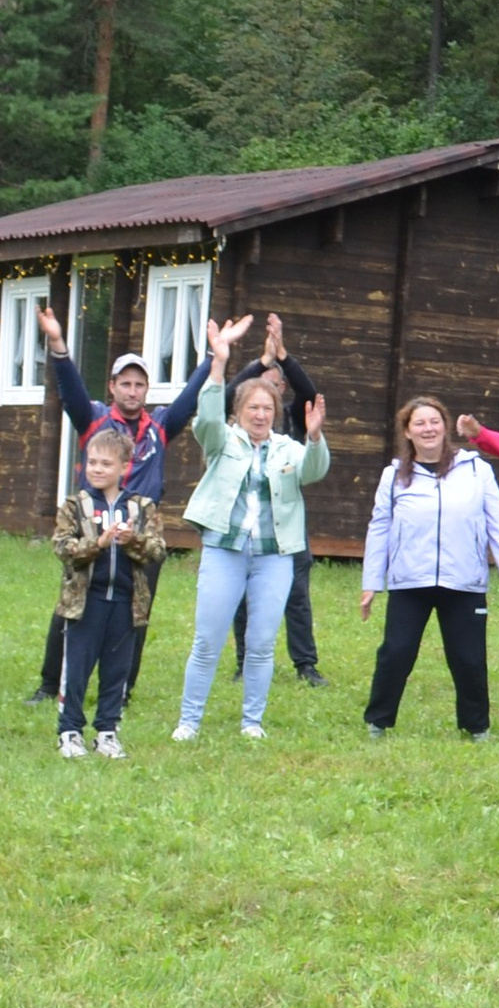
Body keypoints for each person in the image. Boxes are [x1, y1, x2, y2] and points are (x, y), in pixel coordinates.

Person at [28, 300, 213, 708]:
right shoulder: (93, 417)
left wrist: (215, 355)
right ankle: (49, 684)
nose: (132, 391)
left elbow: (191, 396)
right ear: (112, 387)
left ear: (147, 390)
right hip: (92, 525)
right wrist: (57, 343)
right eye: (124, 384)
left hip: (140, 531)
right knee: (72, 605)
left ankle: (122, 689)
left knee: (135, 611)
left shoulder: (160, 425)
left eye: (139, 384)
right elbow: (71, 387)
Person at [173, 324, 330, 742]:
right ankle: (189, 721)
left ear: (275, 413)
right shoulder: (221, 440)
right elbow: (206, 418)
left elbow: (314, 472)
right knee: (207, 641)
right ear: (238, 412)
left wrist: (314, 438)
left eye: (267, 409)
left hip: (274, 556)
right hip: (225, 550)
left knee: (261, 642)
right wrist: (220, 362)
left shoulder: (287, 448)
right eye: (252, 408)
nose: (260, 415)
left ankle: (252, 722)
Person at [359, 396, 499, 740]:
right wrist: (372, 581)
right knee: (396, 652)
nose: (428, 428)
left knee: (469, 658)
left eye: (435, 421)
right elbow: (380, 527)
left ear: (446, 428)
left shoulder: (477, 470)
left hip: (464, 581)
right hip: (409, 581)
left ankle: (476, 726)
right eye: (419, 423)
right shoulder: (393, 477)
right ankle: (378, 721)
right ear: (408, 432)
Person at [226, 316, 328, 689]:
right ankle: (243, 663)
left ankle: (306, 665)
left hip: (288, 524)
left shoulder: (295, 420)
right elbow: (227, 395)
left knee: (297, 594)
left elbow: (310, 390)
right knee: (244, 598)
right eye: (257, 394)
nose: (263, 402)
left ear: (283, 391)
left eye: (273, 387)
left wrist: (282, 355)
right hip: (245, 524)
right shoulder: (237, 427)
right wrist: (260, 363)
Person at [52, 427, 164, 758]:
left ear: (123, 467)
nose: (97, 469)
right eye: (92, 462)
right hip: (86, 602)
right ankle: (69, 731)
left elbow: (157, 550)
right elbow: (62, 547)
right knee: (77, 668)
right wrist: (97, 544)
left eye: (105, 463)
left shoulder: (141, 507)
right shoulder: (75, 505)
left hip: (127, 602)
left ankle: (107, 732)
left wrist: (134, 542)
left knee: (117, 670)